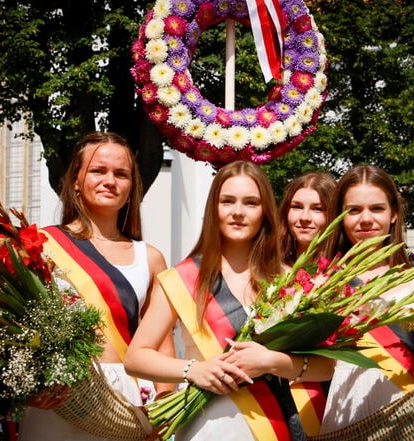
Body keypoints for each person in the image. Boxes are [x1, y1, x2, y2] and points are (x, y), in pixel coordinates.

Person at [125, 160, 335, 441]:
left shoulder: (291, 281)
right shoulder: (182, 278)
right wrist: (194, 370)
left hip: (273, 425)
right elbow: (136, 357)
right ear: (214, 208)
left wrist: (272, 361)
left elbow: (325, 366)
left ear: (265, 212)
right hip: (205, 427)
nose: (238, 212)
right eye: (227, 201)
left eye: (250, 203)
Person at [18, 131, 170, 441]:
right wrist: (27, 388)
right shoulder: (42, 244)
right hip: (57, 397)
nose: (110, 180)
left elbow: (162, 340)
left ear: (131, 188)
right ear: (75, 180)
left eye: (121, 174)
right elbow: (13, 324)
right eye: (98, 170)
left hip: (124, 402)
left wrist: (164, 403)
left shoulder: (151, 258)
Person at [319, 164, 414, 433]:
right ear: (339, 217)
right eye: (353, 210)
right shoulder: (324, 286)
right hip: (347, 424)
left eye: (376, 208)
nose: (365, 219)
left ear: (394, 213)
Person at [278, 172, 338, 267]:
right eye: (297, 207)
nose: (304, 217)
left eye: (317, 209)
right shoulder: (268, 265)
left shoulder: (346, 273)